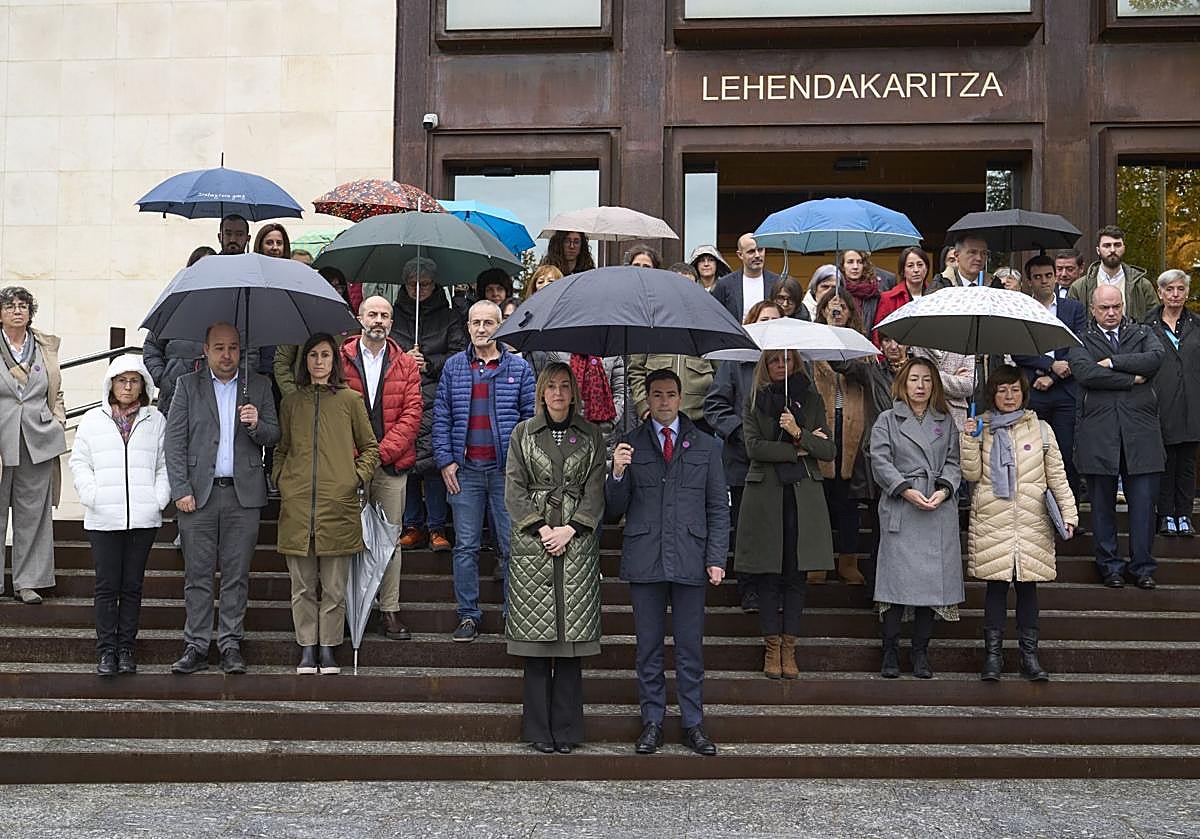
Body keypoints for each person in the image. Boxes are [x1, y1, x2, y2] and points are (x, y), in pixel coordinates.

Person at [606, 369, 728, 756]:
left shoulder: (706, 445)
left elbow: (717, 508)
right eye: (656, 394)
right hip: (646, 557)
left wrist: (716, 557)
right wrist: (617, 472)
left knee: (690, 648)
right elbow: (612, 511)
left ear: (680, 398)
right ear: (647, 397)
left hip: (691, 557)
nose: (663, 401)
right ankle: (653, 721)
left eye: (670, 394)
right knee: (648, 648)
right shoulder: (628, 444)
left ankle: (693, 722)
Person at [165, 323, 280, 674]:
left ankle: (230, 642)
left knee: (236, 574)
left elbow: (274, 435)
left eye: (232, 347)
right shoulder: (187, 386)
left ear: (240, 349)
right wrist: (181, 489)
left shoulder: (257, 385)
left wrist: (256, 424)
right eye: (219, 348)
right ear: (205, 349)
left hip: (242, 496)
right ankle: (197, 644)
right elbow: (174, 442)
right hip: (198, 496)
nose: (226, 355)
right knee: (197, 575)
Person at [505, 363, 606, 754]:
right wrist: (542, 527)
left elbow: (596, 488)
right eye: (552, 386)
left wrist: (571, 528)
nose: (559, 393)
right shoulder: (522, 433)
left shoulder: (591, 434)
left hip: (576, 541)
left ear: (574, 392)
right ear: (542, 392)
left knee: (570, 643)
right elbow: (512, 487)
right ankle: (537, 730)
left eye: (565, 386)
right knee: (535, 644)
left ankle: (566, 730)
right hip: (534, 542)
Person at [961, 367, 1077, 682]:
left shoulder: (1041, 430)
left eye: (1014, 389)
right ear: (992, 395)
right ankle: (993, 658)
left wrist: (1069, 514)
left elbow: (1057, 476)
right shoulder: (980, 427)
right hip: (993, 519)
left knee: (1028, 590)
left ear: (1024, 393)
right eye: (1002, 390)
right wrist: (969, 439)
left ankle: (1029, 657)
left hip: (1032, 519)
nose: (1009, 396)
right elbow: (970, 475)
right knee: (995, 589)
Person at [274, 333, 380, 675]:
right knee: (302, 584)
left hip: (338, 506)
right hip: (299, 505)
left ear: (335, 361)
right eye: (312, 356)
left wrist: (355, 479)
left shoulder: (350, 400)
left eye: (325, 355)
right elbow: (282, 448)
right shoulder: (292, 402)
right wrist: (281, 480)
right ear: (304, 361)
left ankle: (329, 647)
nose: (319, 361)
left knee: (334, 587)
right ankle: (307, 646)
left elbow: (370, 448)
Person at [433, 300, 536, 642]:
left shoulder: (519, 369)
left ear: (499, 327)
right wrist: (446, 459)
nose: (481, 329)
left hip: (507, 472)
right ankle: (468, 616)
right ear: (467, 327)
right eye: (475, 322)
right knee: (465, 547)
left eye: (488, 322)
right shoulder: (454, 367)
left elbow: (529, 420)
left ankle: (514, 615)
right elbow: (442, 415)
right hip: (465, 471)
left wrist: (522, 467)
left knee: (510, 547)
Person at [68, 356, 170, 675]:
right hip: (103, 517)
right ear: (111, 384)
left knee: (132, 585)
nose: (127, 386)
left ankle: (126, 648)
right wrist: (91, 494)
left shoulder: (156, 420)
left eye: (134, 380)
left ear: (143, 386)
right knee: (107, 585)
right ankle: (106, 651)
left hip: (143, 517)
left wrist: (158, 499)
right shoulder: (92, 420)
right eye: (121, 380)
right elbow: (79, 462)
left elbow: (164, 465)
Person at [737, 350, 834, 679]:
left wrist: (796, 430)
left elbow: (827, 450)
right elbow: (754, 448)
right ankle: (771, 646)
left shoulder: (811, 398)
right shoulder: (754, 401)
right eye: (774, 360)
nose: (781, 365)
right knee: (767, 573)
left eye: (787, 360)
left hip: (801, 496)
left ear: (796, 363)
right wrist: (799, 448)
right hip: (765, 497)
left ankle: (789, 647)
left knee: (795, 575)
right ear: (766, 365)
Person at [870, 356, 963, 679]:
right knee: (896, 586)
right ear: (903, 384)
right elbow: (880, 461)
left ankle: (921, 652)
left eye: (926, 380)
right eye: (914, 380)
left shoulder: (945, 419)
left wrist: (944, 489)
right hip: (902, 505)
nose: (920, 386)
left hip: (936, 506)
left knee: (931, 587)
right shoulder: (887, 420)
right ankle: (890, 651)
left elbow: (953, 462)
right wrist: (905, 489)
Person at [1068, 285, 1164, 589]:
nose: (1111, 313)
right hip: (1099, 433)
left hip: (1141, 432)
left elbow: (1155, 359)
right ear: (1093, 309)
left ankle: (1142, 567)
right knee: (1101, 506)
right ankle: (1109, 566)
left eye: (1116, 307)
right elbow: (1085, 373)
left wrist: (1112, 363)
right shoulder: (1081, 338)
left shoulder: (1142, 332)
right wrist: (1130, 379)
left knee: (1144, 505)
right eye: (1104, 308)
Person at [342, 296, 423, 639]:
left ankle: (389, 610)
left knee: (390, 542)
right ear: (360, 316)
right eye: (372, 314)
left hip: (391, 467)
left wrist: (380, 454)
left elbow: (412, 415)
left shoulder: (406, 364)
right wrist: (358, 456)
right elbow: (335, 412)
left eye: (384, 315)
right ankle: (349, 610)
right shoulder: (341, 360)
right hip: (350, 465)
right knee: (349, 539)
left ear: (392, 322)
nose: (378, 320)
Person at [703, 300, 783, 613]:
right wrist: (739, 432)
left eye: (776, 320)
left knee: (776, 531)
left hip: (779, 463)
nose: (770, 324)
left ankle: (772, 588)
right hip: (742, 463)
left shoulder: (789, 364)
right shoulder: (736, 362)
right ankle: (748, 589)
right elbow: (715, 406)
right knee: (746, 530)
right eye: (764, 320)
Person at [392, 257, 467, 554]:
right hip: (403, 396)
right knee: (407, 460)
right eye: (413, 284)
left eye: (425, 284)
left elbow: (459, 353)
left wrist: (430, 363)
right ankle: (413, 525)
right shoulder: (394, 316)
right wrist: (405, 362)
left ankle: (437, 526)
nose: (419, 289)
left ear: (434, 285)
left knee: (435, 462)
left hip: (438, 397)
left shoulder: (449, 317)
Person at [0, 287, 67, 604]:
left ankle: (29, 581)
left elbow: (57, 390)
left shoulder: (44, 347)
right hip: (1, 437)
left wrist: (58, 420)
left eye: (23, 306)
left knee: (33, 514)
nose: (17, 311)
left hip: (37, 438)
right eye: (10, 306)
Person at [1012, 255, 1086, 499]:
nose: (1044, 281)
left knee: (1066, 453)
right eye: (1037, 277)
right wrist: (1050, 365)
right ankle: (1036, 511)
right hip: (1033, 388)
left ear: (1055, 277)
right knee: (1031, 454)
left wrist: (1054, 376)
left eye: (1048, 276)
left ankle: (1070, 513)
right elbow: (1018, 349)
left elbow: (1080, 346)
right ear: (1028, 281)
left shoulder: (1073, 309)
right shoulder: (1020, 309)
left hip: (1065, 391)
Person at [812, 289, 869, 586]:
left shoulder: (861, 346)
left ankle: (848, 561)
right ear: (821, 311)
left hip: (851, 432)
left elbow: (860, 373)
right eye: (831, 307)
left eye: (843, 307)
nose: (837, 311)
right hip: (822, 428)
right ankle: (817, 560)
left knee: (848, 504)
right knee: (819, 503)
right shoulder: (809, 345)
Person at [1145, 269, 1200, 537]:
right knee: (1164, 463)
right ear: (1160, 293)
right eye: (1169, 290)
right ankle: (1165, 514)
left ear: (1187, 293)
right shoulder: (1147, 325)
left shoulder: (1197, 325)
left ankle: (1184, 516)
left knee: (1187, 464)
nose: (1175, 294)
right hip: (1161, 402)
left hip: (1192, 403)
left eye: (1180, 289)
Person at [275, 266, 355, 398]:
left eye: (338, 287)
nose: (334, 291)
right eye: (328, 285)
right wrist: (293, 395)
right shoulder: (298, 318)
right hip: (303, 394)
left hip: (339, 398)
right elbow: (281, 363)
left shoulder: (351, 323)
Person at [1068, 225, 1157, 322]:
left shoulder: (1142, 285)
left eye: (1117, 245)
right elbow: (1072, 323)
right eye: (1107, 245)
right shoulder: (1079, 287)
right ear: (1098, 250)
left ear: (1124, 248)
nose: (1112, 250)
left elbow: (1155, 321)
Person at [627, 351, 715, 435]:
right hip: (656, 418)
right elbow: (636, 371)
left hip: (699, 419)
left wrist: (712, 411)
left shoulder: (709, 336)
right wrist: (644, 408)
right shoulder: (648, 335)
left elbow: (720, 376)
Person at [712, 233, 781, 321]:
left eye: (760, 250)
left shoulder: (778, 282)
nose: (757, 255)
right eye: (751, 251)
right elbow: (716, 316)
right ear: (740, 255)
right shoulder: (725, 284)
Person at [872, 247, 931, 346]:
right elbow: (878, 334)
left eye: (920, 265)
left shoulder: (935, 296)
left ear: (927, 267)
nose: (916, 270)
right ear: (903, 270)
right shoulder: (888, 298)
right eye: (910, 266)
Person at [840, 249, 883, 336]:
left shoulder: (874, 291)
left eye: (859, 262)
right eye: (850, 262)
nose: (855, 266)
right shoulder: (837, 291)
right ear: (842, 266)